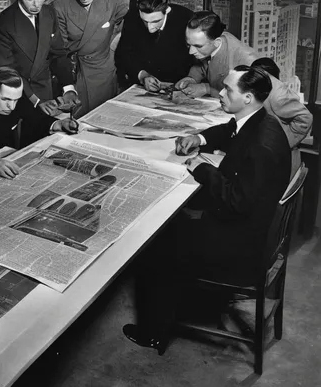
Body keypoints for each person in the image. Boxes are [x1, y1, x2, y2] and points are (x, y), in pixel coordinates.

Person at [123, 66, 291, 355]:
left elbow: (237, 202)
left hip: (243, 246)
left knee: (155, 243)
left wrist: (203, 170)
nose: (221, 93)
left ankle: (153, 332)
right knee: (175, 227)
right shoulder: (261, 121)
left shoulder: (262, 145)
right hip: (252, 228)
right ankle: (174, 303)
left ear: (248, 97)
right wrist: (200, 139)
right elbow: (230, 131)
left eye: (228, 90)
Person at [0, 0, 77, 115]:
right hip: (16, 96)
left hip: (45, 91)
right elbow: (8, 72)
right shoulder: (2, 25)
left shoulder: (49, 13)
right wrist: (35, 100)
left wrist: (68, 88)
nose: (36, 5)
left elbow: (58, 53)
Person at [53, 0, 129, 117]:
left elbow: (133, 29)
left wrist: (116, 47)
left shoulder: (116, 0)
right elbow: (60, 49)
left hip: (105, 71)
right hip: (76, 72)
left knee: (105, 118)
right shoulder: (60, 6)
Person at [115, 0, 193, 92]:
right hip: (143, 88)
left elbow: (198, 60)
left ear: (167, 10)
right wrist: (142, 76)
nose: (150, 28)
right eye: (145, 21)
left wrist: (189, 80)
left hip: (181, 88)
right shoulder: (133, 17)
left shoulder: (187, 20)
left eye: (156, 21)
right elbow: (124, 53)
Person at [252, 57, 312, 175]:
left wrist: (282, 142)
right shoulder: (262, 90)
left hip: (280, 165)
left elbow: (305, 118)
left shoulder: (278, 94)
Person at [175, 11, 256, 98]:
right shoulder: (212, 42)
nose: (191, 51)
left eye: (198, 46)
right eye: (188, 45)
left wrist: (207, 89)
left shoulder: (247, 61)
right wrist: (191, 79)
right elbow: (202, 66)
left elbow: (246, 98)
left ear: (217, 42)